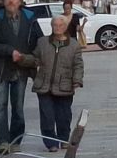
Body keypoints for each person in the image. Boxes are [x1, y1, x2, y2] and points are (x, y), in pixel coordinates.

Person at [0, 0, 41, 153]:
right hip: (0, 69)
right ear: (3, 0)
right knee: (0, 106)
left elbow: (38, 40)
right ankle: (3, 141)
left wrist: (34, 58)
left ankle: (16, 139)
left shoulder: (29, 18)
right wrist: (9, 51)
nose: (11, 1)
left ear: (20, 1)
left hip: (21, 69)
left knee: (18, 107)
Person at [31, 9, 86, 150]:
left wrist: (77, 80)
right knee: (47, 116)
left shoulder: (73, 45)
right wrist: (22, 60)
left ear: (66, 27)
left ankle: (63, 138)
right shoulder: (42, 42)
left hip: (64, 85)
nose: (57, 28)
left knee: (64, 116)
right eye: (55, 25)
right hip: (44, 85)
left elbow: (78, 64)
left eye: (61, 25)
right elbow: (34, 59)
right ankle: (51, 143)